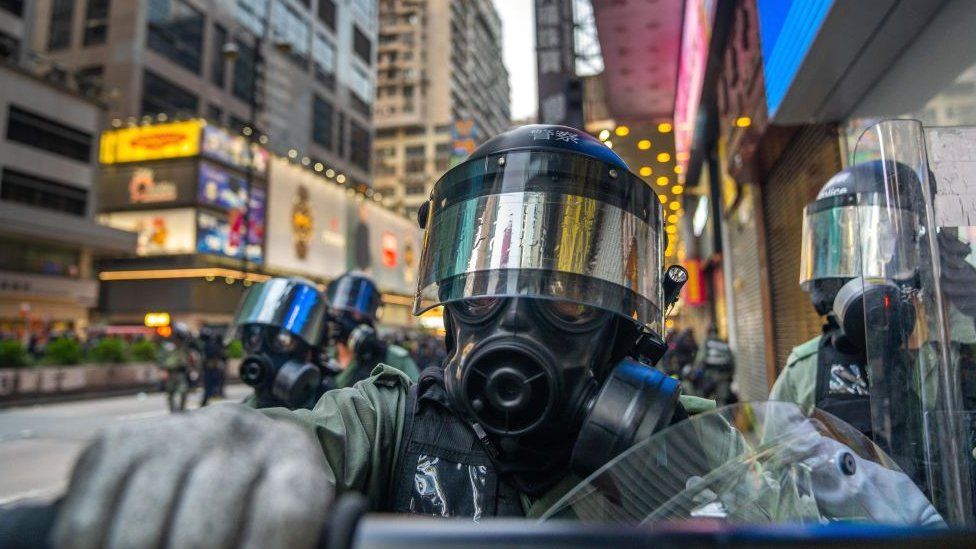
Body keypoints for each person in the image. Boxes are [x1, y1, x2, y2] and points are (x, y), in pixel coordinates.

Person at [49, 125, 728, 546]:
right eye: (489, 290)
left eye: (569, 294)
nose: (519, 324)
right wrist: (217, 464)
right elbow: (301, 442)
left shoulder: (693, 448)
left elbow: (785, 489)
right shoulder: (390, 420)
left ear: (626, 321)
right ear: (455, 304)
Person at [325, 271, 420, 387]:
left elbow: (418, 398)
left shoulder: (393, 360)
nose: (343, 318)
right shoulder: (322, 356)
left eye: (355, 313)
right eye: (339, 311)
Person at [156, 323, 194, 413]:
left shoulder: (183, 345)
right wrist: (162, 369)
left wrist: (190, 369)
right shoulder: (167, 345)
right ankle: (172, 410)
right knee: (170, 392)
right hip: (170, 372)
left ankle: (181, 409)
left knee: (184, 390)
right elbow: (161, 357)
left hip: (180, 372)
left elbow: (187, 355)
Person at [695, 325, 737, 406]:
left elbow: (700, 359)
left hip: (710, 378)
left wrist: (698, 372)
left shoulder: (707, 342)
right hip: (724, 378)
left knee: (710, 403)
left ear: (708, 332)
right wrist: (729, 376)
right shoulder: (724, 343)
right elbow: (732, 362)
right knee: (723, 402)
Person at [198, 327, 226, 406]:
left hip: (212, 368)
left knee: (210, 385)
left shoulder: (210, 345)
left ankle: (209, 398)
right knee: (210, 385)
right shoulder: (208, 344)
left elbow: (215, 356)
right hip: (210, 368)